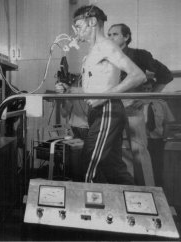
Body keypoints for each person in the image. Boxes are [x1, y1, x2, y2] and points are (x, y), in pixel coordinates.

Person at [56, 5, 146, 185]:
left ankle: (89, 210)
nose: (76, 31)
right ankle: (135, 204)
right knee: (112, 168)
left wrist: (104, 97)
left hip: (108, 110)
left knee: (88, 165)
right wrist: (70, 90)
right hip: (98, 112)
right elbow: (93, 91)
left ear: (92, 22)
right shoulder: (92, 51)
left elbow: (138, 75)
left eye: (79, 26)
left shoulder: (106, 46)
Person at [108, 23, 173, 186]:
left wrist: (146, 99)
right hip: (113, 110)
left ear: (126, 37)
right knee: (122, 153)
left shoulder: (139, 55)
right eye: (108, 35)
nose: (110, 38)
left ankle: (150, 193)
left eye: (114, 34)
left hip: (132, 109)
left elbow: (165, 75)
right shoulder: (107, 57)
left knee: (139, 151)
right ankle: (129, 194)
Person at [142, 78, 175, 186]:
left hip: (157, 141)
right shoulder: (137, 104)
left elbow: (167, 123)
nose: (147, 91)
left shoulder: (161, 103)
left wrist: (164, 138)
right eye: (145, 89)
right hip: (142, 141)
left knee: (157, 169)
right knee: (143, 169)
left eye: (149, 89)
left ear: (153, 89)